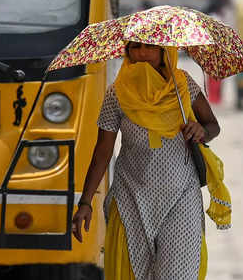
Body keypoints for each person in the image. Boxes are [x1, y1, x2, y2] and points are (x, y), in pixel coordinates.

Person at [72, 42, 222, 280]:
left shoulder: (183, 85)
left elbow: (213, 126)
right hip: (131, 198)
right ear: (127, 52)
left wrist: (200, 130)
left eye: (150, 47)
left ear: (165, 52)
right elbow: (102, 151)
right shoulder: (116, 93)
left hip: (181, 197)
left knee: (177, 275)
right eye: (134, 47)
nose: (141, 53)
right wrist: (85, 202)